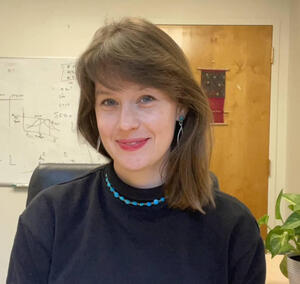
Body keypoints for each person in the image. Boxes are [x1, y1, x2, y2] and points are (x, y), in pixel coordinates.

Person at [7, 17, 266, 284]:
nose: (126, 123)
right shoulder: (48, 218)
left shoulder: (234, 230)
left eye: (146, 99)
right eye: (109, 101)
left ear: (181, 107)